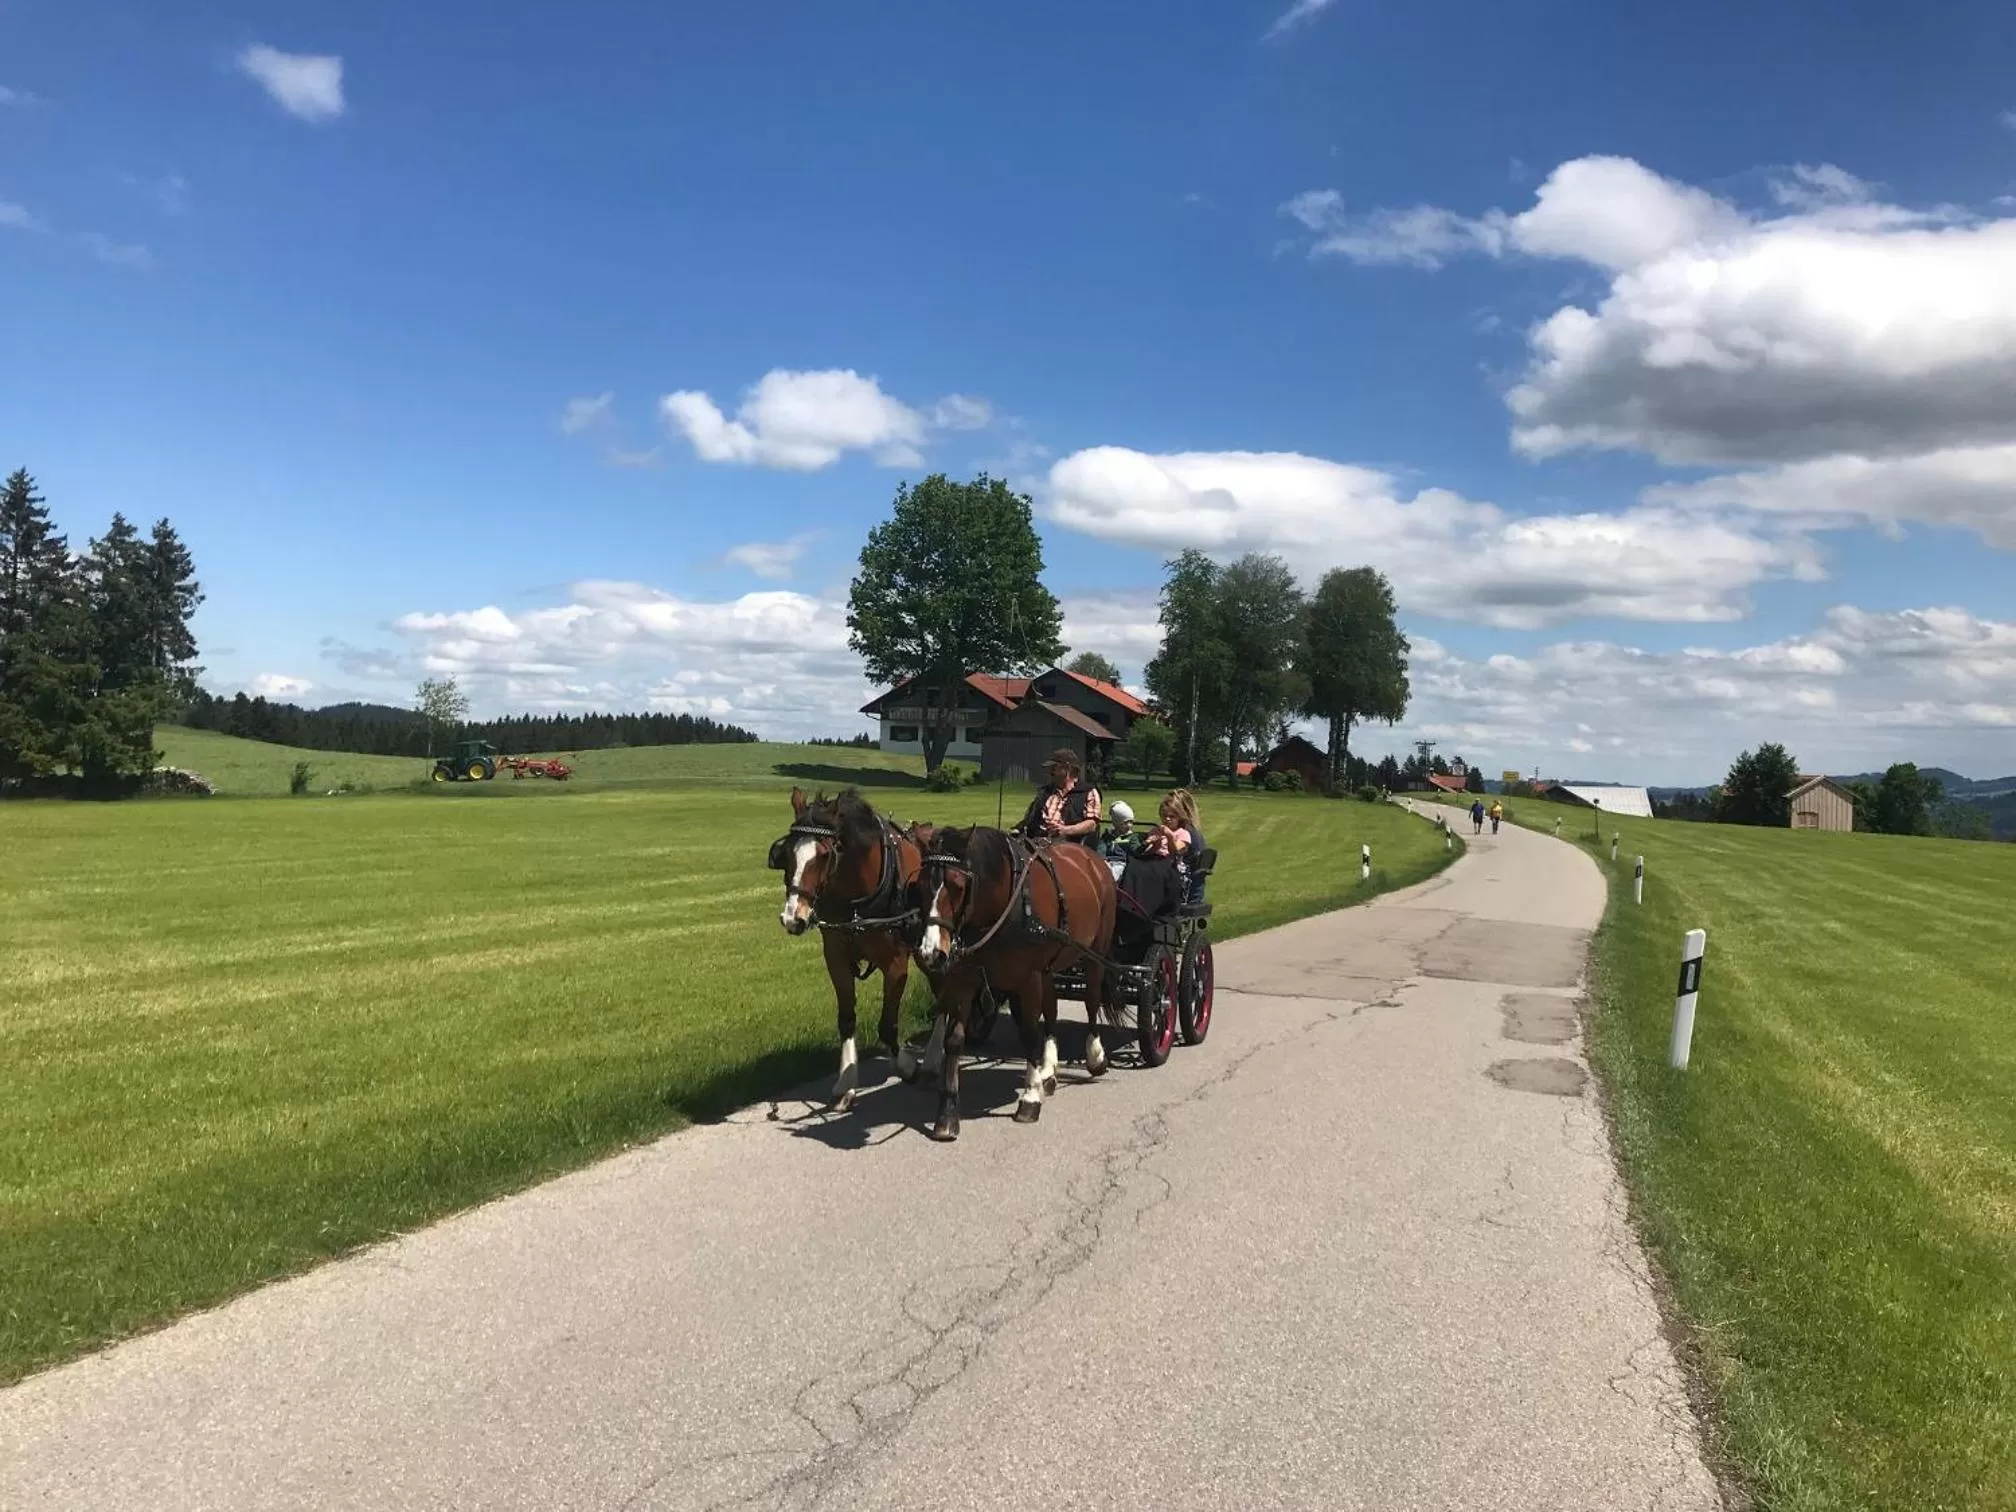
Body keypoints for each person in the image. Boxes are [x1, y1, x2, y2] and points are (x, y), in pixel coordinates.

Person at [1015, 748, 1102, 845]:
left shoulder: (1088, 792)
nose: (1050, 772)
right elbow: (1030, 819)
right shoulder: (1045, 792)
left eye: (1054, 768)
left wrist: (1064, 830)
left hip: (1070, 845)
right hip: (1038, 841)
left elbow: (1091, 824)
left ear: (1067, 768)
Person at [1141, 788, 1207, 903]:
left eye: (1172, 815)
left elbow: (1176, 853)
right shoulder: (1167, 830)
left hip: (1177, 875)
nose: (1167, 819)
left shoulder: (1187, 834)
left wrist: (1169, 837)